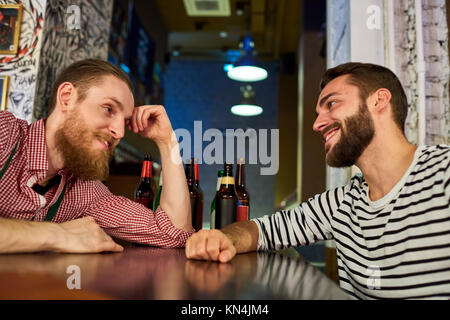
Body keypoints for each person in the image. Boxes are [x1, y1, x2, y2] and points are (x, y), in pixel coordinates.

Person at [185, 62, 450, 299]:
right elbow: (261, 231)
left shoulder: (443, 170)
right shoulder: (340, 204)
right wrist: (223, 239)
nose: (317, 124)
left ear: (378, 100)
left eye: (331, 104)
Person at [0, 58, 193, 254]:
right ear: (67, 97)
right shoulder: (5, 134)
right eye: (108, 109)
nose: (120, 132)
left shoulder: (85, 191)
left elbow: (173, 234)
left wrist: (168, 141)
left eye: (125, 121)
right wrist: (57, 234)